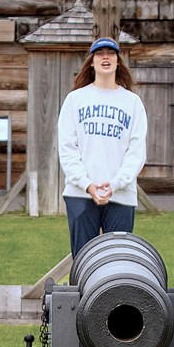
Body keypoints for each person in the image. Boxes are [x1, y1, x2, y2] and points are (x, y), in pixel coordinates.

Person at [57, 36, 148, 257]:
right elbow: (67, 148)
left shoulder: (132, 102)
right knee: (83, 260)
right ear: (91, 61)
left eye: (111, 53)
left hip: (121, 194)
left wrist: (116, 183)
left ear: (118, 61)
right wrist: (87, 184)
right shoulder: (75, 99)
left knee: (118, 261)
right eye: (99, 53)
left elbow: (137, 151)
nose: (105, 57)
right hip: (80, 193)